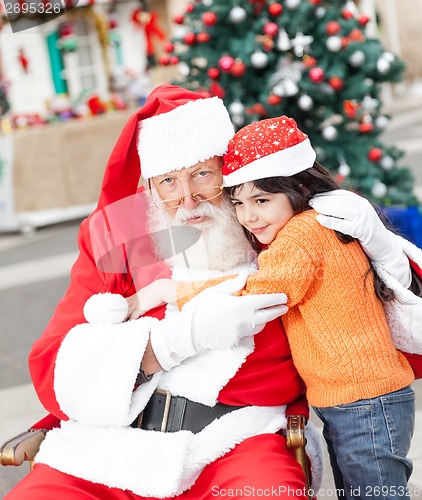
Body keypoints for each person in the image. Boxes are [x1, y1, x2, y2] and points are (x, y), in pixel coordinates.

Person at [6, 86, 422, 500]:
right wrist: (170, 343)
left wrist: (385, 251)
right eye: (168, 181)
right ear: (152, 185)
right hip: (107, 449)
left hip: (235, 440)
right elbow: (52, 364)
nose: (187, 198)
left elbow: (381, 315)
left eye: (202, 174)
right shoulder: (119, 238)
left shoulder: (272, 226)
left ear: (230, 171)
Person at [132, 115, 422, 500]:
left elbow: (257, 292)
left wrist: (173, 291)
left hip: (364, 402)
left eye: (262, 200)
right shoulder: (309, 227)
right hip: (355, 400)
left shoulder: (301, 236)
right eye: (238, 203)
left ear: (299, 187)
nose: (249, 217)